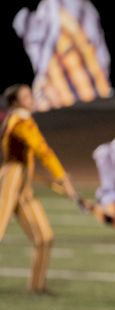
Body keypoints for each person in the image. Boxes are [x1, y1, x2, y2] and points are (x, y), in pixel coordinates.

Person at [0, 84, 77, 294]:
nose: (31, 98)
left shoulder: (21, 119)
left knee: (44, 237)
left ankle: (36, 286)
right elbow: (43, 151)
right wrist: (63, 179)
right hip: (11, 181)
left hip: (23, 183)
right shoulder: (21, 121)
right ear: (15, 102)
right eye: (26, 96)